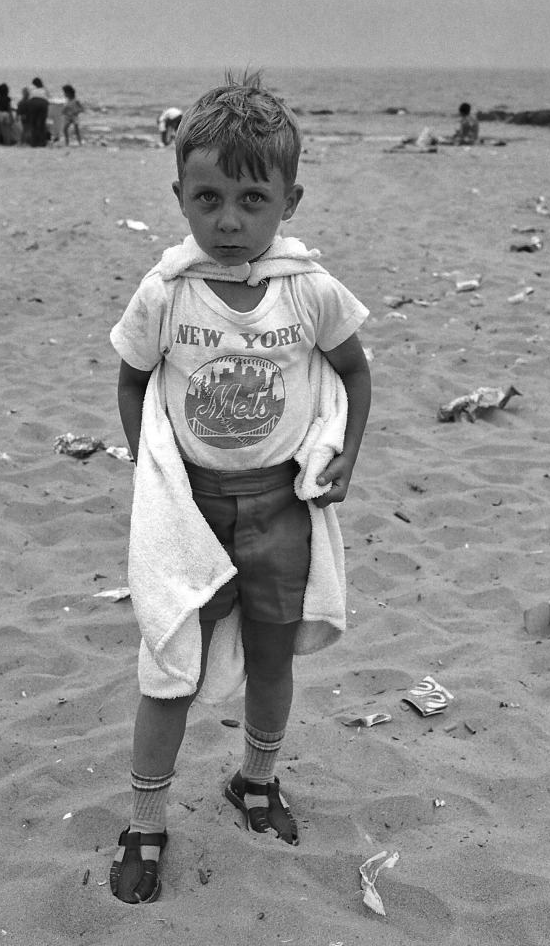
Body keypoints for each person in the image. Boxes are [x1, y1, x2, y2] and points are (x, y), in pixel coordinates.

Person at [108, 71, 372, 905]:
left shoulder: (309, 290)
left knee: (270, 654)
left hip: (278, 509)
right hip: (193, 512)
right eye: (207, 197)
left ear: (289, 200)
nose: (228, 220)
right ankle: (146, 820)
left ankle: (255, 780)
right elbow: (131, 379)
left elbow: (353, 373)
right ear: (179, 194)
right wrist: (152, 478)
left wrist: (346, 454)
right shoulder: (166, 292)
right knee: (170, 665)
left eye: (251, 199)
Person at [28, 77, 49, 147]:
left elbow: (29, 99)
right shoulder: (44, 90)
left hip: (33, 102)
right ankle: (42, 142)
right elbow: (48, 98)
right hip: (43, 103)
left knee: (33, 124)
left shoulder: (32, 90)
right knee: (42, 124)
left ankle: (34, 142)